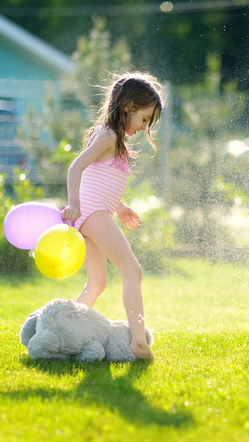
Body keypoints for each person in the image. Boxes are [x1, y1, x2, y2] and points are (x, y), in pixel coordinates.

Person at [61, 72, 163, 360]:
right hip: (91, 214)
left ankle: (68, 333)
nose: (145, 128)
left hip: (97, 213)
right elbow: (75, 169)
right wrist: (73, 203)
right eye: (144, 119)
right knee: (133, 271)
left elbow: (102, 180)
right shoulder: (108, 136)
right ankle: (139, 342)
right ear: (128, 106)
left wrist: (121, 207)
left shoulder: (116, 141)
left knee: (97, 284)